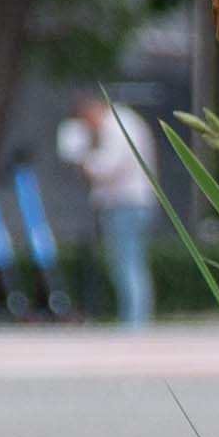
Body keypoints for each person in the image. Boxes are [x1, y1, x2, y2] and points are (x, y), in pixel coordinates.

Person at [61, 89, 161, 328]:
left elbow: (106, 168)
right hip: (132, 203)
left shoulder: (117, 126)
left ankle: (135, 322)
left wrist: (80, 156)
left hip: (126, 203)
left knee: (126, 262)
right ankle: (135, 318)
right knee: (130, 261)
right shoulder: (124, 121)